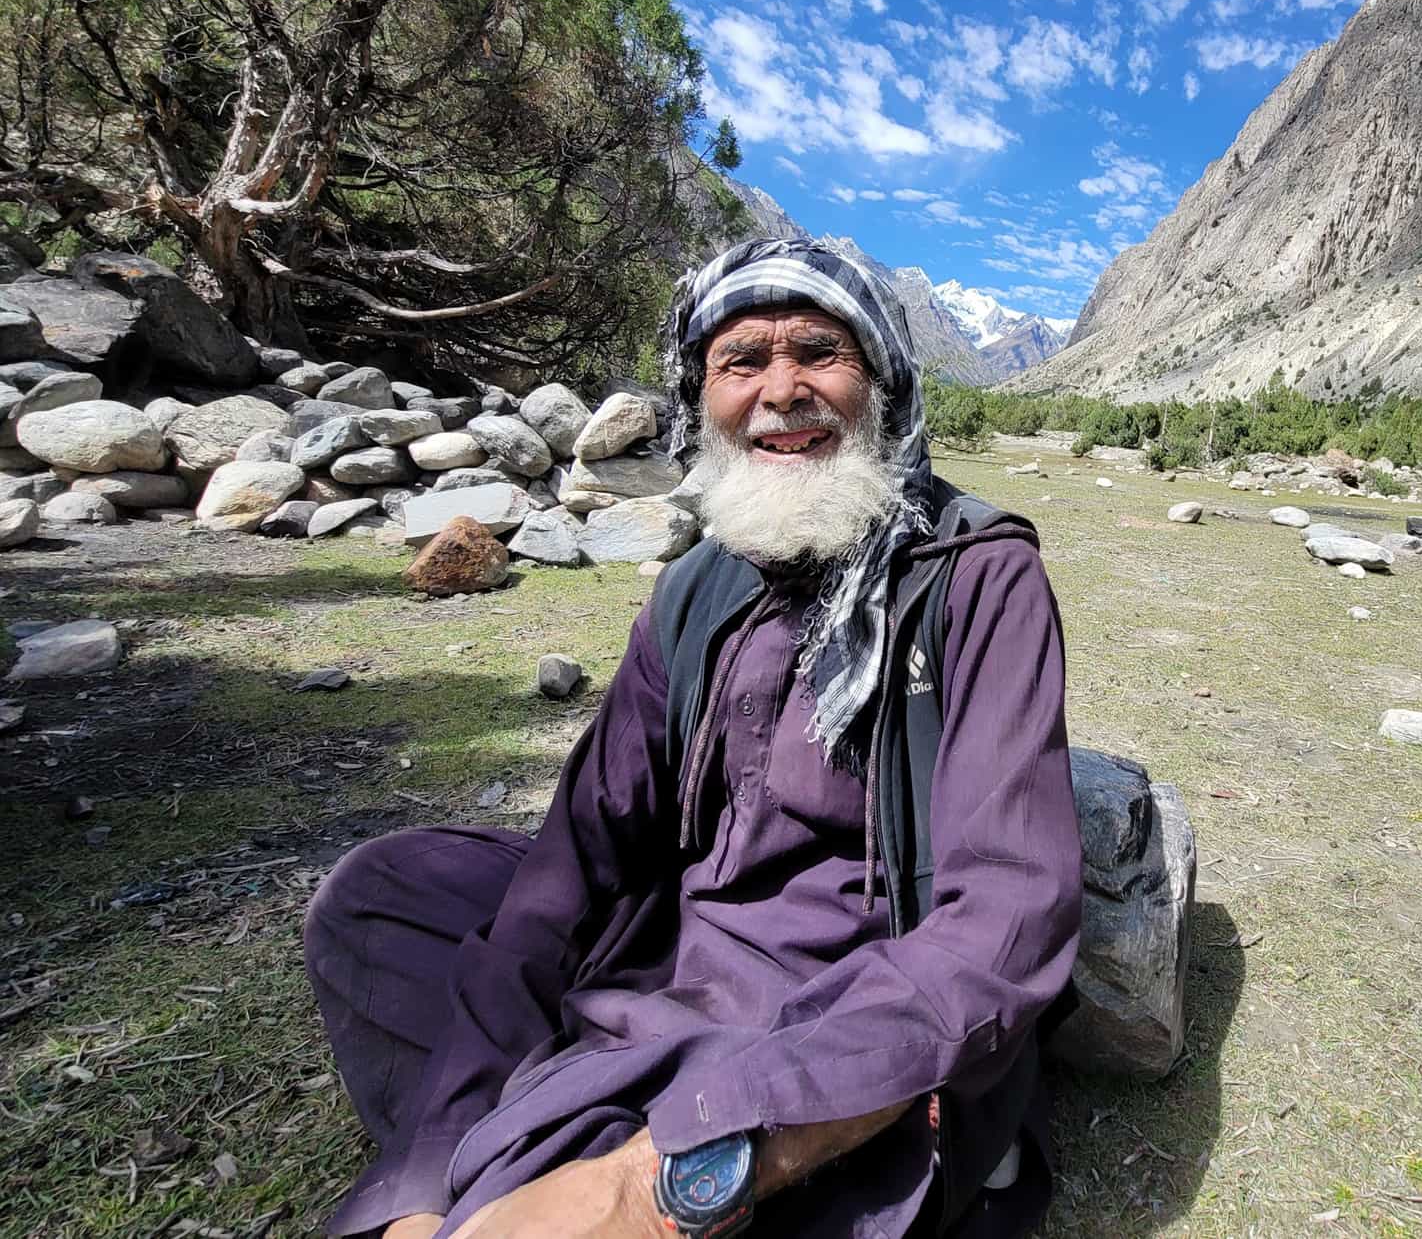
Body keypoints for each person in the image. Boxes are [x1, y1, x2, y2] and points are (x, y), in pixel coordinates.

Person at [303, 238, 1083, 1238]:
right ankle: (509, 1148)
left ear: (880, 384)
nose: (782, 391)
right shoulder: (694, 588)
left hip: (844, 1003)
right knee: (383, 895)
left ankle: (643, 1143)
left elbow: (1006, 916)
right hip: (672, 950)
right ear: (699, 397)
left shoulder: (976, 577)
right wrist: (422, 1173)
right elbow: (576, 859)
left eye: (819, 352)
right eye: (741, 361)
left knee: (780, 1117)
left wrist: (650, 1190)